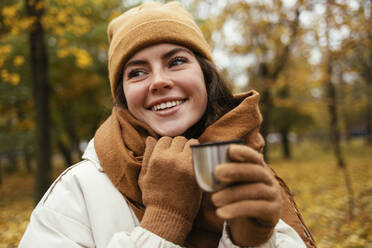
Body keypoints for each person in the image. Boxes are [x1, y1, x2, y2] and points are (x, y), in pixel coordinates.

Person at [19, 2, 316, 248]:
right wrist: (163, 221)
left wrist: (252, 241)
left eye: (175, 62)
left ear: (205, 74)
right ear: (123, 97)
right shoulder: (78, 191)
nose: (159, 81)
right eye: (137, 72)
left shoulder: (248, 169)